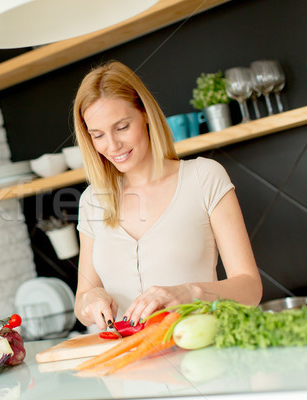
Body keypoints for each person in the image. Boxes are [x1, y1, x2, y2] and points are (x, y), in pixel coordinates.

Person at [73, 61, 262, 331]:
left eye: (123, 127)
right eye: (98, 135)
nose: (112, 146)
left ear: (145, 114)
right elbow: (82, 301)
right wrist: (91, 299)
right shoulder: (92, 200)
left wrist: (190, 293)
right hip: (123, 367)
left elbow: (251, 288)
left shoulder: (204, 177)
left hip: (202, 361)